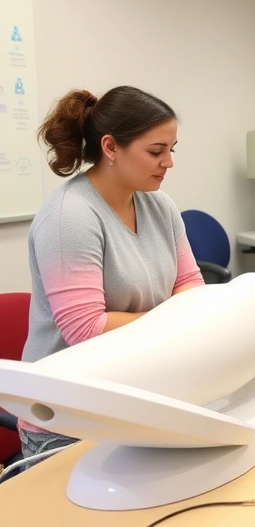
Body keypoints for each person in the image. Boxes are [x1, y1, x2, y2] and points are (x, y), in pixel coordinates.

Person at [21, 86, 205, 463]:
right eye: (156, 151)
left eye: (171, 150)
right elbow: (86, 328)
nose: (168, 162)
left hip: (137, 396)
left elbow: (191, 286)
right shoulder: (69, 217)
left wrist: (186, 318)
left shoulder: (160, 205)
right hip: (69, 416)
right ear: (110, 147)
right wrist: (178, 321)